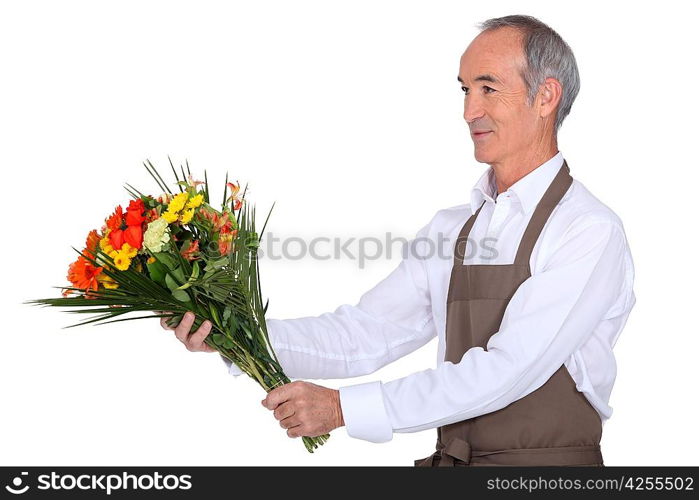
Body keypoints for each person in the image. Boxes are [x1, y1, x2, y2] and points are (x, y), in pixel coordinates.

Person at [160, 14, 636, 466]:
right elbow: (365, 334)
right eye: (466, 90)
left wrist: (346, 409)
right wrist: (231, 332)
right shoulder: (452, 229)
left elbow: (507, 370)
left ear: (546, 96)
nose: (470, 110)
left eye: (488, 88)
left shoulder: (588, 231)